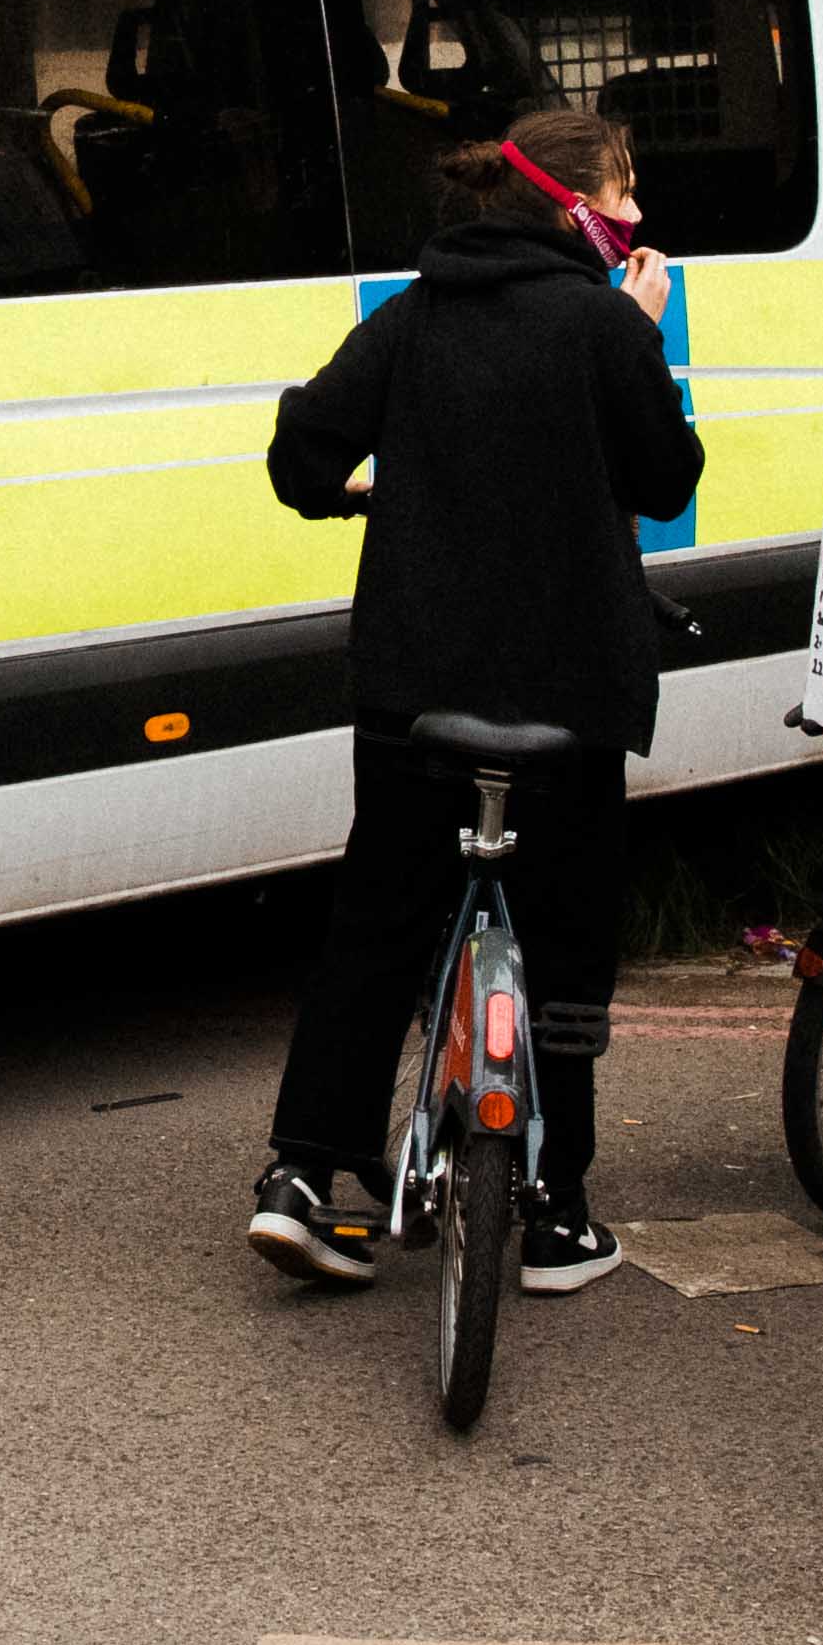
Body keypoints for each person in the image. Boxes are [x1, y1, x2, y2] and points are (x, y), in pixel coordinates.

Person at [244, 103, 701, 1300]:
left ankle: (303, 1176)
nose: (638, 213)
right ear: (571, 207)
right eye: (624, 189)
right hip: (571, 697)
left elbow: (299, 457)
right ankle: (555, 1212)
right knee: (565, 936)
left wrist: (375, 498)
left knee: (379, 920)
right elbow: (666, 480)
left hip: (414, 692)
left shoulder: (410, 319)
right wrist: (639, 338)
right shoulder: (603, 326)